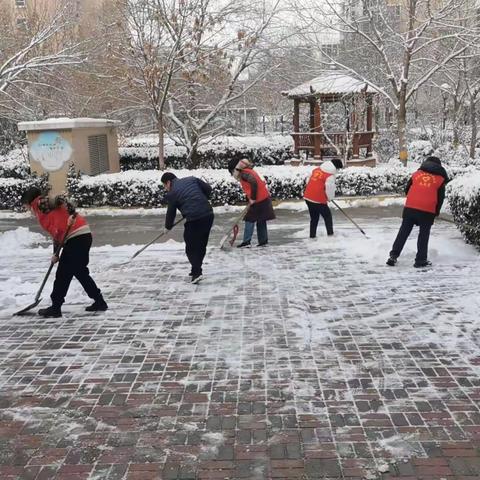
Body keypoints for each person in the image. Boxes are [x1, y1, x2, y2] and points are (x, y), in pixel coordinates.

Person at [21, 187, 107, 317]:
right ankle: (99, 302)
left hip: (76, 236)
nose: (27, 209)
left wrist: (72, 214)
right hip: (80, 236)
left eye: (25, 205)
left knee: (63, 274)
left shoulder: (41, 203)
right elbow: (56, 232)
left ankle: (55, 308)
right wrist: (56, 253)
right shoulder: (41, 210)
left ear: (29, 201)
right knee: (80, 272)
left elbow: (61, 199)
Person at [386, 156, 449, 268]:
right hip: (427, 210)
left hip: (410, 207)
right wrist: (436, 212)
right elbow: (440, 198)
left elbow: (407, 189)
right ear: (439, 166)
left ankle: (393, 256)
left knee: (403, 232)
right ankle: (420, 260)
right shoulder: (440, 179)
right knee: (423, 235)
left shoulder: (416, 174)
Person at [161, 172, 214, 284]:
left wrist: (167, 227)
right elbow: (208, 189)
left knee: (191, 247)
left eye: (165, 186)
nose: (165, 189)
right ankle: (196, 269)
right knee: (201, 244)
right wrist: (202, 199)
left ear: (168, 182)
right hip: (208, 215)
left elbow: (171, 212)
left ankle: (196, 273)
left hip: (195, 219)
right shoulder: (192, 179)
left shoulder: (172, 192)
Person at [227, 158, 275, 248]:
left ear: (234, 169)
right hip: (264, 198)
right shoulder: (247, 171)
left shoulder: (244, 173)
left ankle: (246, 242)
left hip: (258, 199)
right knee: (261, 220)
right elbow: (250, 186)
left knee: (249, 219)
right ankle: (263, 241)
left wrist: (252, 198)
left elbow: (253, 183)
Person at [303, 158, 343, 238]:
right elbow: (329, 189)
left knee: (314, 218)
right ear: (335, 167)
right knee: (327, 216)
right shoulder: (329, 176)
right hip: (318, 200)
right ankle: (330, 235)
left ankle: (312, 236)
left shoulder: (317, 170)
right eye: (338, 169)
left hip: (308, 197)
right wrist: (330, 198)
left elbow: (308, 181)